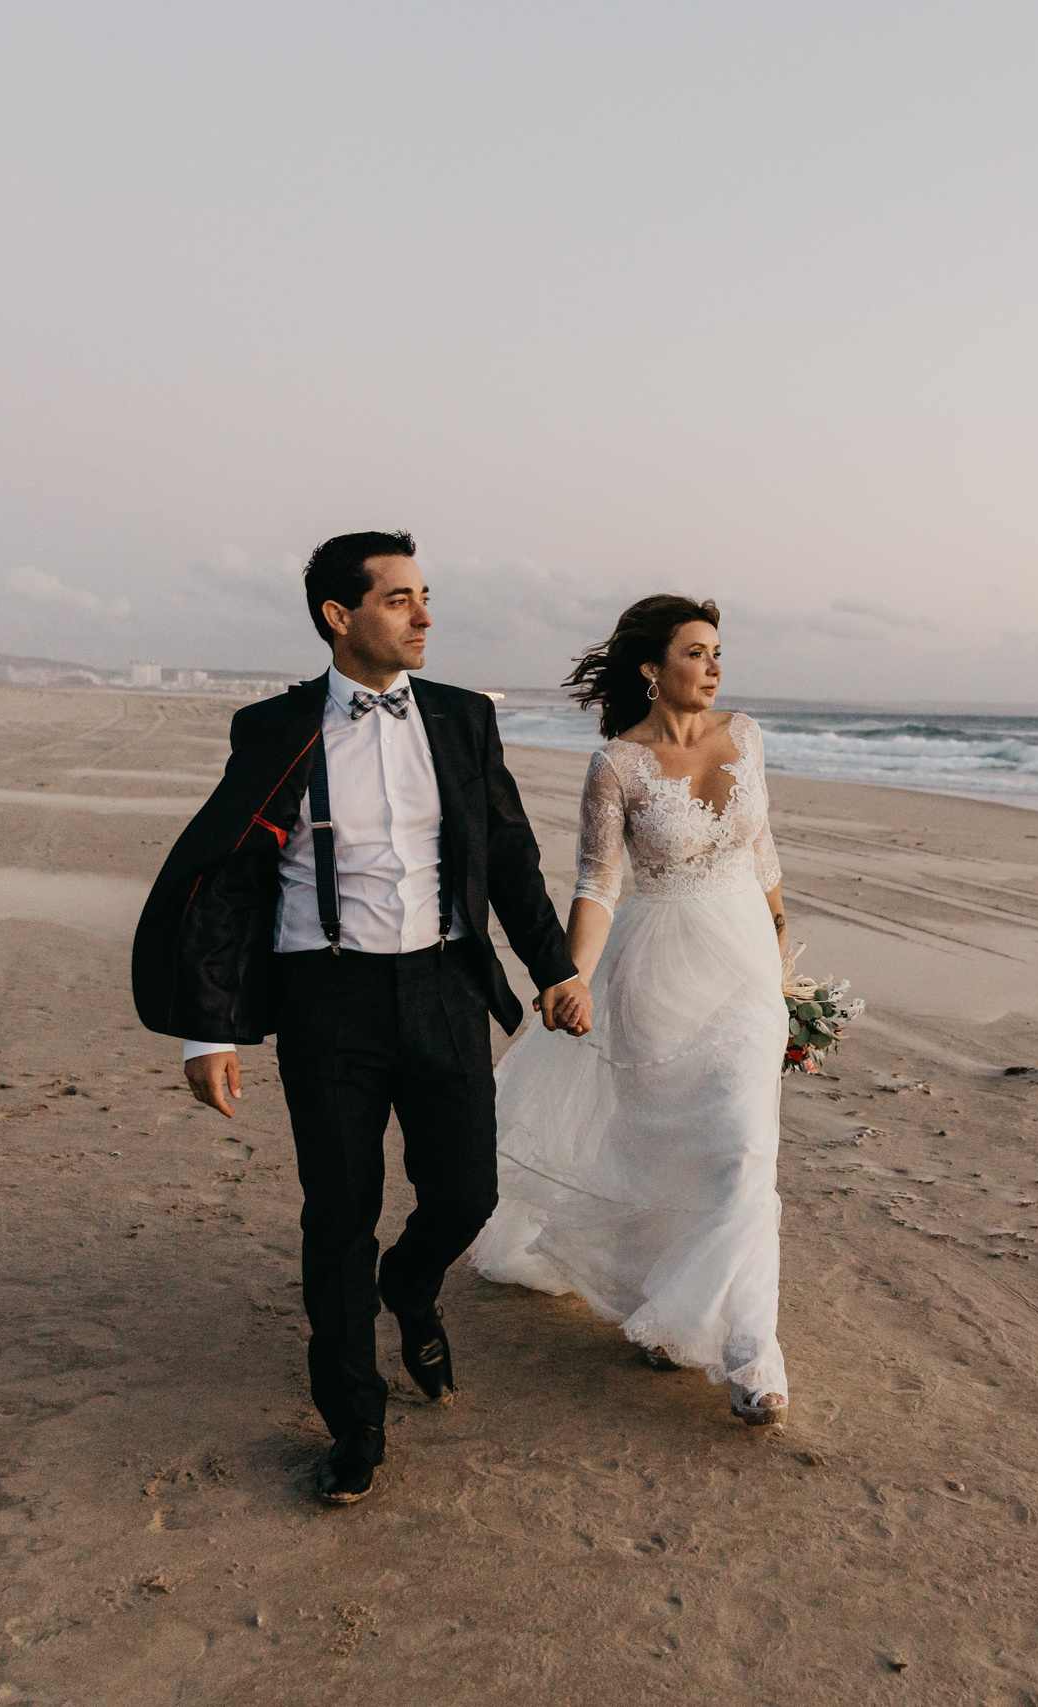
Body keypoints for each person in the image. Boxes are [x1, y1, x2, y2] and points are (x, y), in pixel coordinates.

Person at [129, 530, 593, 1507]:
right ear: (341, 617)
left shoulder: (465, 721)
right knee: (338, 1215)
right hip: (325, 1001)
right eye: (399, 599)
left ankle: (413, 1286)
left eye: (426, 597)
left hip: (442, 992)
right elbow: (230, 881)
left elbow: (507, 855)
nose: (424, 616)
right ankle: (354, 1422)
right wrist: (208, 1028)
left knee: (466, 1192)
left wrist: (554, 968)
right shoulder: (275, 729)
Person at [467, 595, 793, 1426]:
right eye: (696, 651)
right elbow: (598, 883)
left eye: (719, 650)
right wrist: (570, 976)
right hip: (659, 974)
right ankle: (666, 1305)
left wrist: (788, 969)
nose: (715, 666)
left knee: (747, 1147)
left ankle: (755, 1356)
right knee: (669, 1149)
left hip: (749, 971)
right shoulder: (618, 765)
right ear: (653, 667)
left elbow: (763, 856)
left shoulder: (746, 735)